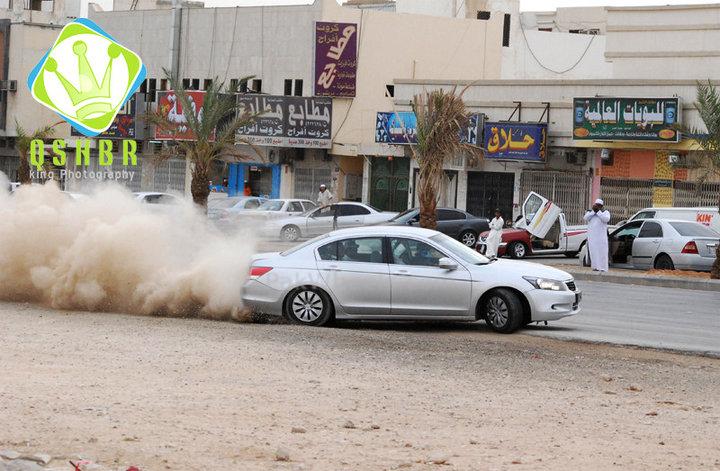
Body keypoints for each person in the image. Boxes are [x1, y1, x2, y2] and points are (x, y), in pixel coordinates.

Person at [583, 198, 611, 272]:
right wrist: (594, 212)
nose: (597, 207)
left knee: (602, 253)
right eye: (596, 205)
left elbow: (606, 219)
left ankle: (603, 268)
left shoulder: (605, 212)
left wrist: (598, 212)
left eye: (598, 205)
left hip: (601, 238)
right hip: (592, 238)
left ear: (601, 206)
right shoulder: (590, 213)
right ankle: (595, 267)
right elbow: (585, 218)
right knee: (593, 252)